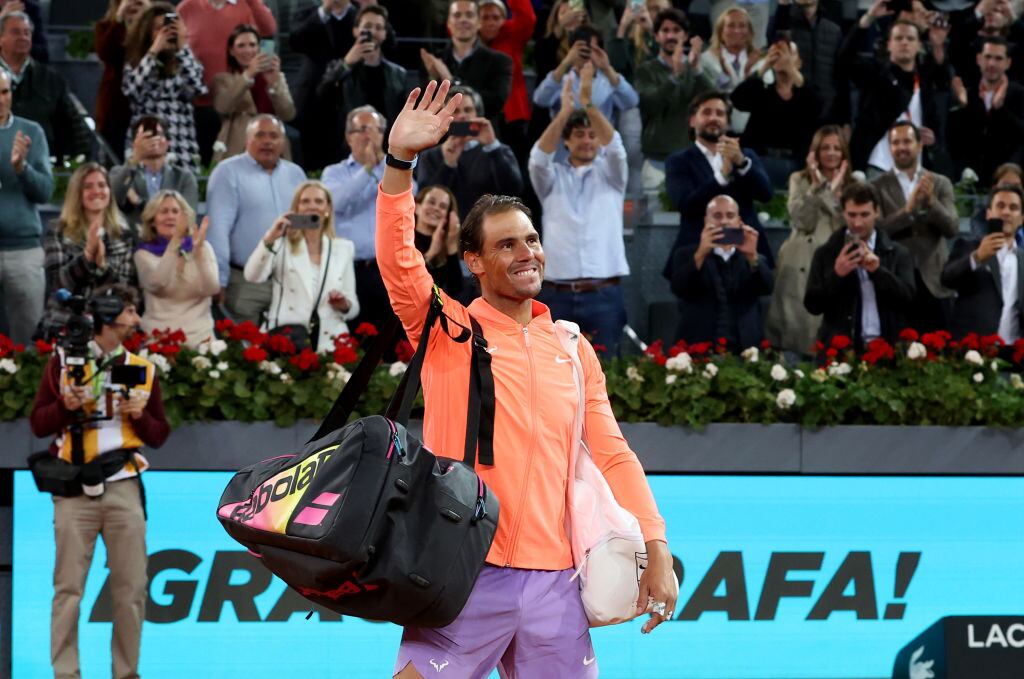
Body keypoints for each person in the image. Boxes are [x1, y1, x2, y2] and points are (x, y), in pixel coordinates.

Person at [379, 79, 676, 679]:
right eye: (507, 244)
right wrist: (399, 164)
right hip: (461, 573)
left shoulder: (571, 345)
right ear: (474, 261)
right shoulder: (448, 330)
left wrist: (657, 547)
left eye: (533, 240)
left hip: (556, 582)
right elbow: (398, 261)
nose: (527, 253)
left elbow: (614, 455)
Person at [29, 283, 169, 679]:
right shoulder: (63, 360)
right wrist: (64, 407)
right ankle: (66, 674)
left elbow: (159, 434)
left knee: (131, 590)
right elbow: (39, 424)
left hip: (124, 484)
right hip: (73, 488)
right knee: (68, 590)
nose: (136, 318)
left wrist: (139, 415)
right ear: (109, 315)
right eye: (129, 310)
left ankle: (126, 674)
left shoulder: (143, 367)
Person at [530, 70, 630, 356]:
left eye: (592, 135)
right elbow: (538, 159)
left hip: (605, 294)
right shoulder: (550, 179)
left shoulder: (612, 176)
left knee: (608, 373)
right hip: (556, 294)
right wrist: (564, 113)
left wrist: (588, 104)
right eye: (578, 135)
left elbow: (618, 150)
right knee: (555, 377)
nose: (587, 140)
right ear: (567, 141)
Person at [207, 114, 307, 324]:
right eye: (260, 135)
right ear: (247, 140)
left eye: (274, 135)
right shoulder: (227, 172)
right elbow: (218, 231)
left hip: (289, 280)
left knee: (290, 349)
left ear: (283, 142)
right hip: (244, 283)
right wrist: (220, 280)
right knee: (245, 352)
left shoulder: (296, 174)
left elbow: (305, 228)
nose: (267, 141)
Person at [663, 90, 774, 280]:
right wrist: (722, 176)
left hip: (744, 256)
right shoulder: (679, 160)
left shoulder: (746, 156)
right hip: (699, 255)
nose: (713, 118)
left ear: (728, 122)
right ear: (692, 121)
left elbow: (766, 194)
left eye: (720, 113)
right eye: (706, 112)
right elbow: (686, 204)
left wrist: (741, 163)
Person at [765, 124, 851, 355]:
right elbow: (803, 220)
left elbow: (846, 224)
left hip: (835, 262)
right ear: (815, 152)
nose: (831, 153)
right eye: (825, 148)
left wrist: (833, 189)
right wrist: (816, 186)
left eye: (836, 148)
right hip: (800, 260)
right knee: (795, 331)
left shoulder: (854, 184)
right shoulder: (799, 179)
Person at [244, 181, 359, 352]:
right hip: (286, 340)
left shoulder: (344, 248)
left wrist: (343, 304)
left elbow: (353, 307)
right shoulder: (281, 243)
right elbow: (252, 276)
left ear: (327, 209)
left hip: (329, 343)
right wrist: (270, 237)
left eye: (319, 201)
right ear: (296, 208)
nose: (312, 206)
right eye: (305, 201)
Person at [840, 4, 953, 174]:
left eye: (910, 39)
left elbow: (943, 82)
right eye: (899, 38)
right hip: (877, 164)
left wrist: (933, 138)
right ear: (889, 45)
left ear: (919, 46)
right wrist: (868, 18)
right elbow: (844, 59)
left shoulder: (923, 80)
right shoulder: (875, 72)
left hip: (916, 167)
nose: (905, 42)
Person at [804, 182, 916, 348]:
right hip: (841, 349)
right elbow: (813, 305)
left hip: (887, 348)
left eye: (864, 215)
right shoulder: (826, 253)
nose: (857, 223)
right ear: (843, 213)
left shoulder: (898, 252)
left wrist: (878, 272)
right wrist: (837, 274)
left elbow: (909, 299)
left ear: (876, 212)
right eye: (852, 215)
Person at [871, 121, 958, 332]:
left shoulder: (940, 183)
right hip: (896, 280)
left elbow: (952, 228)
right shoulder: (876, 186)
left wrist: (931, 203)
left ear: (919, 145)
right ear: (890, 147)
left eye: (907, 141)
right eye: (895, 142)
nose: (901, 147)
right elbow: (877, 231)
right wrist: (907, 212)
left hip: (935, 281)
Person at [322, 105, 399, 335]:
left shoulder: (397, 168)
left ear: (383, 135)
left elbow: (407, 195)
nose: (368, 135)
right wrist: (367, 168)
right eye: (362, 129)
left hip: (387, 271)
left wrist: (380, 168)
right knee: (352, 342)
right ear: (349, 137)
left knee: (390, 341)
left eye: (375, 129)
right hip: (349, 270)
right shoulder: (334, 172)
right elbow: (335, 202)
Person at [41, 164, 138, 333]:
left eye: (102, 185)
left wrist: (102, 266)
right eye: (88, 186)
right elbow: (58, 285)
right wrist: (86, 257)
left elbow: (126, 290)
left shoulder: (124, 235)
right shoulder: (57, 230)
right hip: (65, 323)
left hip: (110, 328)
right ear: (77, 193)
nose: (97, 191)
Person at [177, 0, 276, 165]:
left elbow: (269, 30)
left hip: (236, 107)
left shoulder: (248, 5)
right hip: (194, 104)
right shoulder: (187, 7)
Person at [670, 194, 773, 349]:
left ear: (739, 222)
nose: (724, 221)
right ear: (706, 221)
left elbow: (767, 288)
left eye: (730, 216)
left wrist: (752, 257)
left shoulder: (754, 258)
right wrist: (701, 253)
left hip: (745, 347)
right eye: (717, 216)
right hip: (699, 346)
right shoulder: (686, 254)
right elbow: (678, 288)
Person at [122, 3, 208, 174]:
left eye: (169, 27)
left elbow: (197, 88)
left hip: (181, 142)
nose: (165, 32)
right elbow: (132, 91)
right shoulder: (135, 62)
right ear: (147, 33)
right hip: (147, 140)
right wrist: (153, 52)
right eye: (158, 28)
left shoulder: (185, 61)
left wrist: (182, 47)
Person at [417, 85, 523, 220]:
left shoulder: (498, 150)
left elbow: (514, 190)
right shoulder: (430, 156)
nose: (462, 116)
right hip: (444, 233)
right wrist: (448, 165)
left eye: (468, 110)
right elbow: (425, 203)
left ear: (477, 114)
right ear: (444, 117)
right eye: (456, 111)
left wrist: (493, 147)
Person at [0, 68, 51, 344]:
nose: (0, 99)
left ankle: (28, 387)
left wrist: (22, 168)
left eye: (5, 92)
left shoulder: (31, 132)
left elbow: (44, 192)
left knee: (29, 339)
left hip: (24, 250)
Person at [316, 4, 408, 153]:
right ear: (355, 30)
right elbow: (322, 97)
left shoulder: (398, 73)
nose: (372, 31)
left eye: (378, 27)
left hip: (388, 149)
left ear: (385, 34)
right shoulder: (338, 67)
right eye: (367, 26)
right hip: (350, 149)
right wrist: (346, 64)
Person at [0, 11, 90, 160]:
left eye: (27, 33)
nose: (23, 37)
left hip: (43, 163)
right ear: (1, 38)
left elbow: (74, 126)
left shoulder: (52, 79)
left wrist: (81, 160)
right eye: (16, 32)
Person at [730, 40, 820, 187]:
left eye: (787, 53)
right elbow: (738, 99)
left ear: (799, 63)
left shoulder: (805, 94)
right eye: (776, 53)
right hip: (760, 160)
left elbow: (817, 106)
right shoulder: (763, 91)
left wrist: (791, 70)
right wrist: (764, 66)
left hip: (795, 164)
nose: (781, 57)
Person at [134, 191, 218, 347]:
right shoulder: (143, 254)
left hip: (201, 338)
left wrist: (199, 252)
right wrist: (175, 242)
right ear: (152, 220)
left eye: (175, 211)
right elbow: (157, 283)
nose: (170, 216)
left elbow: (212, 288)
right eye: (164, 211)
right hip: (159, 340)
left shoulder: (202, 248)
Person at [941, 184, 1024, 341]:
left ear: (1022, 218)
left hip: (1015, 353)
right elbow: (946, 279)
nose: (1006, 212)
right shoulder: (967, 246)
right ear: (988, 213)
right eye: (1000, 206)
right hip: (976, 352)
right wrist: (976, 257)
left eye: (1013, 207)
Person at [634, 9, 711, 172]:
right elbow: (651, 104)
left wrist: (696, 68)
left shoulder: (695, 70)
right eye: (665, 30)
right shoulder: (645, 70)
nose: (670, 36)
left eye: (676, 30)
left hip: (690, 157)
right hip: (656, 159)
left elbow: (713, 100)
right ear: (656, 36)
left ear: (685, 35)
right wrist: (675, 76)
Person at [420, 0, 513, 128]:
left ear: (479, 22)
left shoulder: (500, 61)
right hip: (441, 138)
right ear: (448, 23)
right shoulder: (433, 60)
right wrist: (432, 78)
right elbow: (424, 107)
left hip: (480, 136)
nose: (463, 20)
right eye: (457, 15)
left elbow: (494, 104)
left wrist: (450, 80)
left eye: (469, 15)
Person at [212, 24, 296, 164]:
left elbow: (288, 114)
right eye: (241, 46)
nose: (248, 50)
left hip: (273, 146)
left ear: (259, 48)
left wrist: (273, 83)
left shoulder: (276, 77)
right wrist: (247, 75)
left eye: (252, 45)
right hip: (238, 144)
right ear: (232, 51)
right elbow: (222, 107)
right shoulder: (223, 79)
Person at [949, 36, 1024, 189]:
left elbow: (1021, 136)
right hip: (970, 182)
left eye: (998, 58)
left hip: (1007, 182)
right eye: (988, 57)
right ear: (978, 59)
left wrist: (1000, 109)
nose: (991, 63)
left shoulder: (1019, 95)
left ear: (1008, 63)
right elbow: (955, 139)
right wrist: (962, 107)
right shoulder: (967, 95)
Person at [291, 0, 358, 170]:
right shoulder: (307, 10)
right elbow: (295, 41)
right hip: (311, 94)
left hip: (350, 94)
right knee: (310, 153)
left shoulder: (360, 12)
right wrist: (325, 11)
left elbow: (390, 44)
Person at [533, 24, 639, 124]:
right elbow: (540, 100)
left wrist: (607, 68)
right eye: (581, 49)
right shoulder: (562, 80)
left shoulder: (609, 80)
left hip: (602, 140)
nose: (586, 53)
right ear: (570, 51)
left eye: (592, 49)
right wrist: (565, 63)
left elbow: (631, 102)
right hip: (567, 141)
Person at [110, 115, 200, 231]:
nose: (153, 140)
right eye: (146, 136)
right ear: (134, 143)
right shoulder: (121, 173)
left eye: (157, 134)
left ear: (167, 142)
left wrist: (139, 201)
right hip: (134, 244)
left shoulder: (183, 177)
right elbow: (112, 202)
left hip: (173, 243)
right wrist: (135, 158)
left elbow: (188, 217)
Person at [768, 0, 844, 124]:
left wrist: (844, 119)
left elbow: (841, 78)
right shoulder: (781, 21)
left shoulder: (834, 30)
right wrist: (783, 5)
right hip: (792, 115)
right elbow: (775, 39)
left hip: (827, 115)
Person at [478, 0, 535, 162]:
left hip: (512, 117)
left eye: (496, 18)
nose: (490, 22)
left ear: (504, 20)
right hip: (477, 117)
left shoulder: (511, 35)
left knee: (514, 167)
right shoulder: (468, 41)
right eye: (485, 18)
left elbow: (527, 18)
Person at [95, 0, 150, 160]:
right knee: (114, 161)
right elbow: (105, 53)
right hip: (116, 107)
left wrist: (150, 14)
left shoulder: (155, 30)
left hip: (149, 106)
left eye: (138, 2)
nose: (133, 6)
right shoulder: (107, 28)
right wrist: (118, 18)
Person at [699, 7, 764, 134]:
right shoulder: (707, 60)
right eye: (731, 25)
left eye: (742, 26)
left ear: (750, 32)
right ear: (720, 31)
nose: (737, 30)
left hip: (753, 133)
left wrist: (748, 72)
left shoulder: (760, 62)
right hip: (716, 131)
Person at [413, 184, 464, 296]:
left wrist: (451, 246)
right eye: (431, 202)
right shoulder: (405, 239)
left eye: (442, 206)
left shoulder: (446, 245)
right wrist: (431, 253)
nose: (436, 208)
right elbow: (408, 282)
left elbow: (455, 289)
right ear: (417, 207)